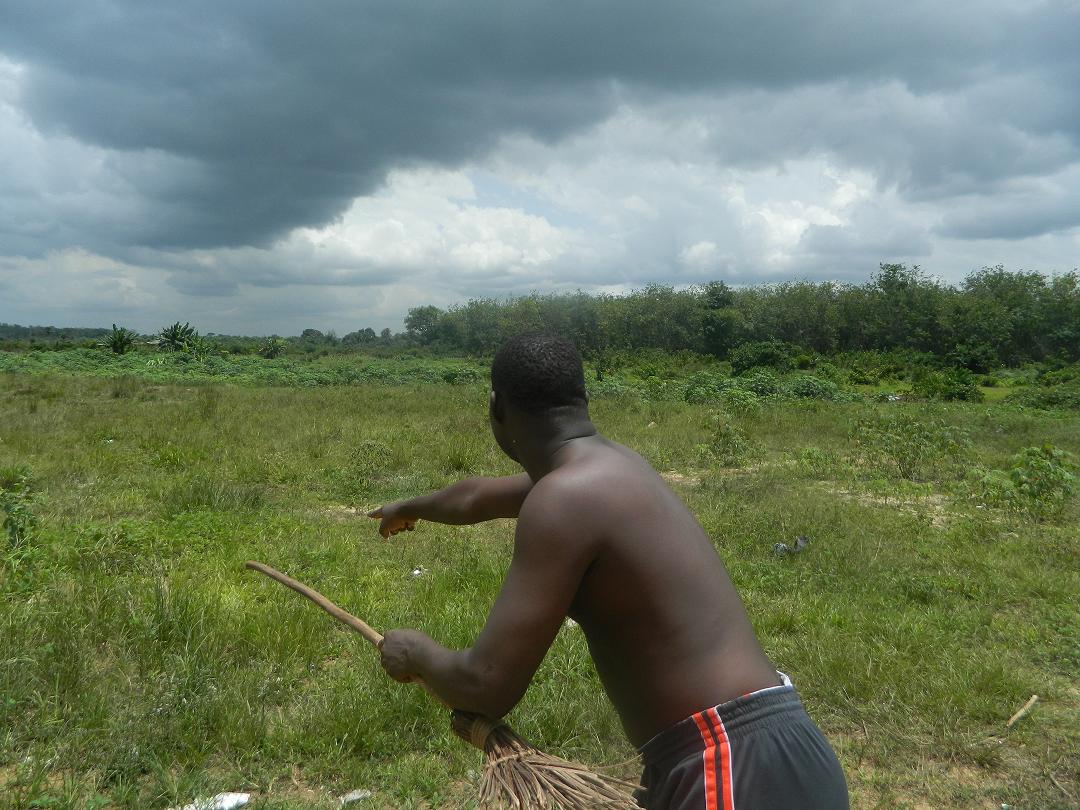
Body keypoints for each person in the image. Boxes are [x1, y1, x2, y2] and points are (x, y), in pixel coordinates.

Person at [369, 332, 849, 809]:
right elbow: (476, 496)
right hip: (757, 743)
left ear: (496, 405)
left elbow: (485, 685)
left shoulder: (565, 498)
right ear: (580, 398)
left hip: (727, 762)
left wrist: (414, 652)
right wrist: (406, 506)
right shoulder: (606, 468)